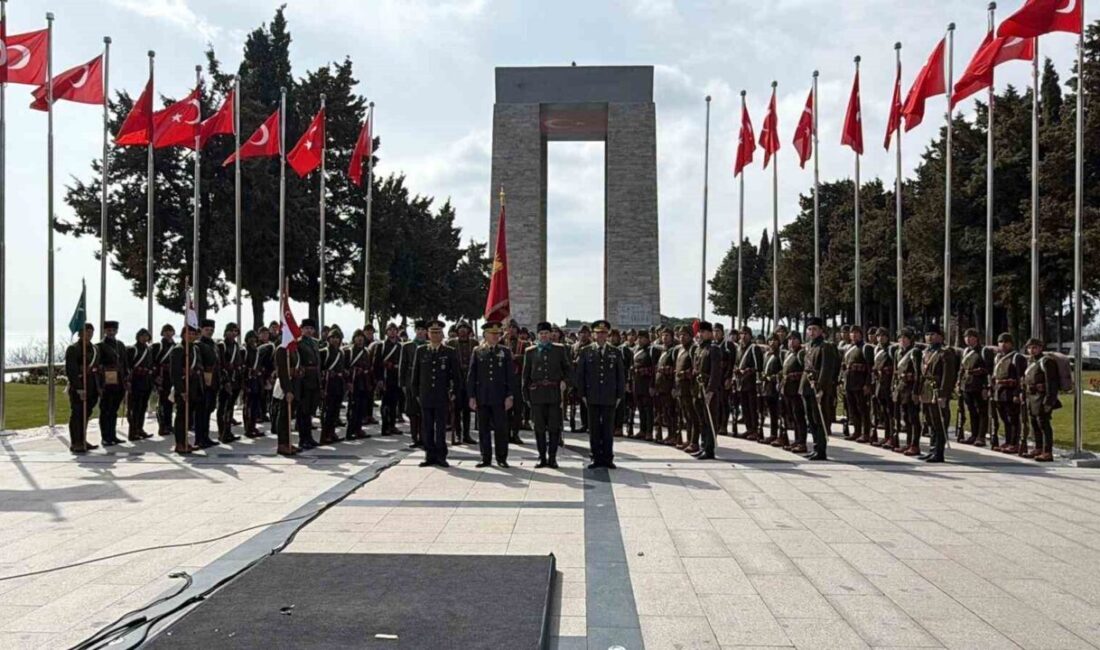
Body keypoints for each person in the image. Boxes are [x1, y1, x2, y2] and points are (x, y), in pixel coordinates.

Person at [575, 319, 625, 469]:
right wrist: (582, 394)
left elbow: (620, 375)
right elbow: (581, 375)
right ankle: (595, 457)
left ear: (608, 334)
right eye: (598, 333)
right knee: (594, 429)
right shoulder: (586, 351)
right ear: (593, 335)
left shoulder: (615, 352)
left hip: (609, 397)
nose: (601, 336)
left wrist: (619, 396)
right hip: (592, 396)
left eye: (604, 333)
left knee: (608, 429)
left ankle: (608, 458)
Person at [411, 320, 461, 467]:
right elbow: (416, 374)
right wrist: (416, 393)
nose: (435, 335)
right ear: (428, 334)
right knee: (426, 427)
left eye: (438, 332)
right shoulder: (421, 351)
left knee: (440, 427)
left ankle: (441, 456)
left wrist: (454, 392)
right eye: (432, 332)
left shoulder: (449, 352)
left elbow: (456, 375)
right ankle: (429, 455)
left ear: (442, 334)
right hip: (425, 395)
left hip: (441, 396)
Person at [468, 320, 517, 467]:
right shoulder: (478, 351)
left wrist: (510, 395)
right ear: (485, 334)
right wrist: (471, 396)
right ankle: (485, 457)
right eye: (492, 333)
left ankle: (501, 458)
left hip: (500, 397)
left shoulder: (505, 351)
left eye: (497, 334)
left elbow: (510, 376)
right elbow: (472, 375)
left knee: (501, 429)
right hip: (482, 396)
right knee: (483, 429)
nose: (495, 336)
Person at [523, 321, 571, 467]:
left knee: (554, 427)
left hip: (554, 394)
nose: (544, 336)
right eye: (541, 333)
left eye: (546, 333)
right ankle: (542, 456)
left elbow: (568, 370)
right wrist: (526, 396)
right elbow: (526, 376)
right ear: (538, 335)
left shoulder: (559, 349)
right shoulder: (530, 351)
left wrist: (565, 382)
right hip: (537, 394)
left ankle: (552, 457)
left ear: (551, 335)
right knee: (539, 428)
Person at [801, 317, 838, 461]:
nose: (812, 332)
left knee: (819, 420)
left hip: (818, 387)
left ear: (821, 331)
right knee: (810, 419)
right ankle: (815, 447)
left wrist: (821, 389)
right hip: (806, 386)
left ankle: (821, 450)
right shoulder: (809, 346)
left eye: (814, 329)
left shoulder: (825, 347)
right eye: (809, 329)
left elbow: (826, 369)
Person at [919, 325, 958, 463]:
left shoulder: (945, 352)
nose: (930, 336)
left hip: (937, 390)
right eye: (928, 334)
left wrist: (943, 394)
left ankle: (939, 452)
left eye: (933, 334)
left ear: (940, 336)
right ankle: (932, 450)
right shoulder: (926, 351)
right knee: (930, 422)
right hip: (927, 389)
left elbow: (948, 375)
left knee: (939, 422)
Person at [65, 323, 100, 453]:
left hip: (92, 386)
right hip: (79, 386)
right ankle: (76, 442)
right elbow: (71, 371)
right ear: (80, 334)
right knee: (77, 414)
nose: (89, 335)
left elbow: (97, 368)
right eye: (86, 332)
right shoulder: (73, 349)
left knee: (86, 415)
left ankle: (83, 439)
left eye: (91, 332)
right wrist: (79, 388)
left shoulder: (95, 349)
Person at [1023, 338, 1058, 463]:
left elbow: (1051, 383)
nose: (1032, 350)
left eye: (1034, 347)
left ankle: (1047, 452)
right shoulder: (1031, 361)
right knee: (1034, 423)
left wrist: (1049, 401)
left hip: (1042, 397)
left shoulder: (1046, 361)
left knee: (1043, 424)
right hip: (1031, 397)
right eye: (1029, 348)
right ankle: (1038, 448)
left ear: (1040, 348)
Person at [957, 328, 994, 447]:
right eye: (966, 337)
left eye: (970, 337)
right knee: (971, 411)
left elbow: (989, 369)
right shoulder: (966, 351)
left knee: (982, 411)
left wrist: (985, 386)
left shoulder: (984, 351)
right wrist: (959, 382)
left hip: (979, 384)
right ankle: (974, 434)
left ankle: (981, 436)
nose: (968, 339)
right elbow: (962, 368)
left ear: (976, 338)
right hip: (967, 384)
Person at [992, 333, 1027, 454]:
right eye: (1000, 342)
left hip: (1011, 392)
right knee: (1004, 419)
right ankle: (1008, 441)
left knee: (1013, 419)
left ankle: (1014, 443)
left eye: (1005, 342)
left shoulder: (1017, 357)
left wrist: (1017, 393)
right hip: (999, 391)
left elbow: (1020, 378)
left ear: (1011, 343)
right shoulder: (997, 357)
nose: (1003, 344)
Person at [169, 325, 202, 455]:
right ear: (183, 334)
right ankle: (179, 444)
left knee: (188, 418)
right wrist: (181, 390)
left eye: (194, 334)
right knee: (181, 417)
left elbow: (199, 365)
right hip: (183, 387)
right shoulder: (179, 350)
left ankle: (186, 441)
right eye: (189, 334)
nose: (191, 336)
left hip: (194, 386)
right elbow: (175, 372)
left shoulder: (195, 349)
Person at [96, 320, 129, 446]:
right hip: (107, 381)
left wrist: (126, 378)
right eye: (109, 330)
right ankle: (105, 437)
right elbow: (98, 364)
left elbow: (125, 363)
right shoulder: (100, 346)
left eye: (114, 330)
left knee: (114, 410)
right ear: (105, 331)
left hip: (119, 381)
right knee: (105, 410)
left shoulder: (120, 344)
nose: (111, 332)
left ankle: (113, 435)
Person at [693, 321, 722, 460]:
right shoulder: (699, 348)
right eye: (700, 332)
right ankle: (703, 445)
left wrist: (710, 390)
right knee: (702, 420)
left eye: (703, 332)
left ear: (710, 333)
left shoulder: (714, 348)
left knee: (710, 420)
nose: (701, 334)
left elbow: (716, 372)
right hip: (699, 388)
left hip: (709, 389)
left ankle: (709, 449)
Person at [893, 328, 923, 456]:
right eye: (900, 338)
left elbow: (918, 373)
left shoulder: (915, 352)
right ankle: (908, 442)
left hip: (911, 387)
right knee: (905, 417)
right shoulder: (898, 352)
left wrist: (916, 391)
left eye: (905, 338)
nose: (902, 340)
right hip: (901, 386)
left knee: (913, 417)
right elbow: (896, 372)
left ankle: (915, 445)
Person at [841, 325, 874, 444]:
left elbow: (870, 368)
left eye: (856, 333)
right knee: (852, 408)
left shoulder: (866, 348)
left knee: (863, 409)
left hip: (860, 382)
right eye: (851, 333)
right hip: (849, 381)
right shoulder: (848, 348)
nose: (853, 335)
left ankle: (866, 433)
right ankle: (857, 431)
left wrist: (868, 384)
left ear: (861, 334)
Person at [400, 320, 429, 448]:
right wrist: (402, 384)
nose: (421, 332)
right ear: (415, 331)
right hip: (410, 381)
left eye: (423, 330)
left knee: (424, 411)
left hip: (424, 381)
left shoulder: (429, 346)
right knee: (412, 412)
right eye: (419, 329)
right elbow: (403, 366)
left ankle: (423, 437)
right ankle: (414, 437)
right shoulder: (407, 346)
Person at [448, 321, 477, 445]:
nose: (463, 330)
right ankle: (458, 434)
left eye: (465, 328)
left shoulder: (474, 343)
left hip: (469, 380)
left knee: (467, 409)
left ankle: (466, 434)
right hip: (456, 380)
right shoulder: (451, 343)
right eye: (460, 328)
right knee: (456, 409)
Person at [272, 331, 300, 456]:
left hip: (293, 383)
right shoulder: (282, 350)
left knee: (289, 416)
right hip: (285, 385)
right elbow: (282, 372)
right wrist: (287, 390)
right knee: (283, 415)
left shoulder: (292, 350)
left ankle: (288, 441)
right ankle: (282, 443)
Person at [295, 318, 322, 450]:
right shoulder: (298, 344)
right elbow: (296, 360)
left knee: (310, 411)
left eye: (311, 328)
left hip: (314, 380)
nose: (309, 331)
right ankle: (302, 438)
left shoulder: (315, 343)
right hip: (304, 381)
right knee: (303, 411)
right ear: (301, 329)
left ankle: (309, 437)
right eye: (306, 328)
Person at [373, 322, 403, 436]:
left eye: (394, 330)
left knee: (394, 403)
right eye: (390, 330)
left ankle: (392, 425)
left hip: (396, 378)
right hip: (385, 378)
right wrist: (379, 379)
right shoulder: (381, 346)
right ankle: (385, 427)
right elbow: (376, 364)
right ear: (386, 332)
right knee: (385, 404)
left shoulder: (400, 346)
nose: (392, 332)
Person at [216, 323, 244, 444]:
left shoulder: (236, 345)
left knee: (230, 408)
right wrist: (225, 381)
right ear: (226, 332)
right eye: (231, 331)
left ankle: (228, 431)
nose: (234, 333)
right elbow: (220, 364)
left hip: (236, 379)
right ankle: (222, 433)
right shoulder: (222, 345)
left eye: (236, 331)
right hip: (226, 380)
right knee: (223, 407)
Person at [780, 331, 807, 453]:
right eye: (789, 339)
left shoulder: (801, 353)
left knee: (799, 417)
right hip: (787, 389)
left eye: (794, 339)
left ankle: (802, 442)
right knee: (792, 416)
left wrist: (794, 376)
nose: (791, 342)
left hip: (797, 389)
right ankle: (796, 440)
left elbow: (806, 370)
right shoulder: (788, 354)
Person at [126, 328, 155, 441]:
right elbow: (128, 366)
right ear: (138, 337)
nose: (144, 338)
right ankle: (132, 432)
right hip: (136, 382)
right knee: (134, 408)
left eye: (146, 336)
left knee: (143, 407)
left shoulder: (148, 350)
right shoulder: (133, 349)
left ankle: (140, 429)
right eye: (142, 335)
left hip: (146, 381)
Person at [320, 327, 349, 445]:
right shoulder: (324, 352)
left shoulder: (341, 353)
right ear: (328, 339)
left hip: (338, 384)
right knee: (328, 410)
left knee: (336, 411)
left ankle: (332, 432)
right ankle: (325, 435)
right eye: (333, 338)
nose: (335, 340)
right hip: (328, 384)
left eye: (337, 338)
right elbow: (319, 369)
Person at [734, 326, 762, 442]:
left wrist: (748, 371)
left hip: (751, 383)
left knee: (752, 408)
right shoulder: (740, 348)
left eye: (745, 334)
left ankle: (755, 430)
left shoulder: (754, 348)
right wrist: (736, 370)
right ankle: (749, 428)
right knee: (745, 408)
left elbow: (758, 366)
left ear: (750, 335)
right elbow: (736, 363)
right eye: (741, 334)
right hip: (741, 382)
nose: (743, 336)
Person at [871, 327, 897, 450]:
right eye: (878, 336)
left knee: (890, 413)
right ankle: (887, 436)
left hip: (888, 383)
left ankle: (892, 437)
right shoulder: (877, 349)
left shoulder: (891, 350)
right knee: (883, 412)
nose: (880, 338)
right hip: (879, 384)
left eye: (883, 336)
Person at [673, 326, 698, 451]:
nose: (682, 337)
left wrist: (685, 374)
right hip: (680, 387)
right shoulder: (679, 349)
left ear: (690, 336)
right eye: (680, 335)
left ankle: (693, 441)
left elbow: (696, 368)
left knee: (692, 416)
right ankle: (687, 439)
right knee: (684, 416)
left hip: (689, 387)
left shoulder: (693, 349)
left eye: (685, 335)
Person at [630, 329, 657, 441]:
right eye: (639, 338)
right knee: (640, 408)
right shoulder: (636, 350)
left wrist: (652, 385)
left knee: (648, 409)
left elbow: (654, 368)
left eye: (642, 338)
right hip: (637, 383)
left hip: (647, 383)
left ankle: (649, 432)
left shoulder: (652, 350)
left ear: (647, 339)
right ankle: (642, 429)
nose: (640, 340)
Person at [345, 329, 373, 440]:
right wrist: (348, 382)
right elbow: (345, 368)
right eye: (357, 337)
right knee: (353, 408)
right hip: (354, 382)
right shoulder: (349, 351)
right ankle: (350, 431)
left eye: (361, 337)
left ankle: (358, 429)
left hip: (364, 382)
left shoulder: (366, 351)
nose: (360, 339)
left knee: (362, 407)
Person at [150, 325, 176, 437]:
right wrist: (155, 376)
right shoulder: (157, 346)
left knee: (170, 402)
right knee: (162, 402)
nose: (168, 333)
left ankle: (169, 424)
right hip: (162, 376)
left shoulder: (176, 346)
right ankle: (162, 426)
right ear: (162, 333)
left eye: (170, 331)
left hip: (172, 376)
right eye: (166, 331)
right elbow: (151, 362)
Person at [654, 327, 678, 445]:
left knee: (671, 412)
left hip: (669, 386)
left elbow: (675, 370)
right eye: (663, 335)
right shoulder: (663, 350)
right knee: (664, 412)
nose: (664, 338)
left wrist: (674, 387)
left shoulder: (673, 350)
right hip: (661, 385)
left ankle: (673, 435)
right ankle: (668, 434)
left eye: (667, 336)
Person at [761, 334, 784, 447]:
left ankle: (781, 436)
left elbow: (783, 370)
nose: (772, 343)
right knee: (772, 413)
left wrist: (774, 377)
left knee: (779, 413)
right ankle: (773, 434)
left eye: (774, 340)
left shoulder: (781, 355)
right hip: (768, 387)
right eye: (770, 340)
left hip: (777, 387)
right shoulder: (767, 355)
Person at [242, 331, 265, 438]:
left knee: (255, 406)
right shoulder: (244, 351)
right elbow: (242, 367)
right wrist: (250, 372)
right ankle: (248, 428)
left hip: (257, 381)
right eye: (251, 338)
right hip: (248, 381)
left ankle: (253, 426)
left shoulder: (257, 351)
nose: (253, 340)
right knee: (248, 406)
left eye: (254, 338)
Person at [569, 325, 592, 433]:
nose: (583, 335)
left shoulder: (592, 347)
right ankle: (574, 423)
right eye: (581, 333)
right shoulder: (574, 346)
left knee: (586, 404)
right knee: (573, 403)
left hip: (587, 379)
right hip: (575, 379)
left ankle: (587, 424)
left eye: (585, 333)